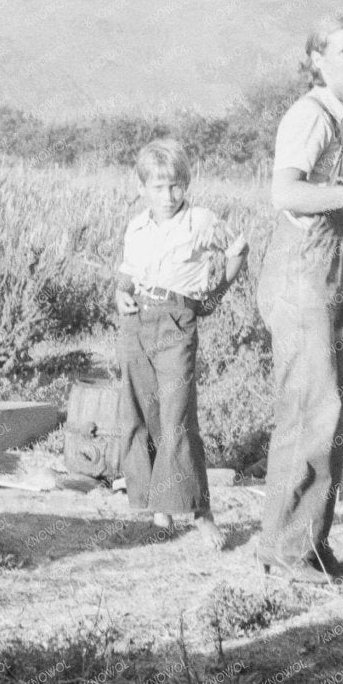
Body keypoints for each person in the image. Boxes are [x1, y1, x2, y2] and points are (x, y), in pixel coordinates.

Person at [254, 14, 343, 584]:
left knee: (332, 413)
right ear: (316, 58)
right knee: (310, 411)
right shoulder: (308, 116)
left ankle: (309, 544)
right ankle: (285, 550)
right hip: (301, 277)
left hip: (331, 275)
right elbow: (284, 191)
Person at [114, 137, 248, 550]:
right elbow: (128, 273)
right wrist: (120, 292)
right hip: (138, 321)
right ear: (142, 189)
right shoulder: (136, 226)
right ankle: (159, 510)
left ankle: (201, 512)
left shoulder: (201, 221)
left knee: (178, 414)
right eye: (158, 187)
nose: (168, 195)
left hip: (177, 319)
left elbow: (239, 249)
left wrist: (214, 294)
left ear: (185, 184)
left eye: (175, 186)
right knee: (142, 410)